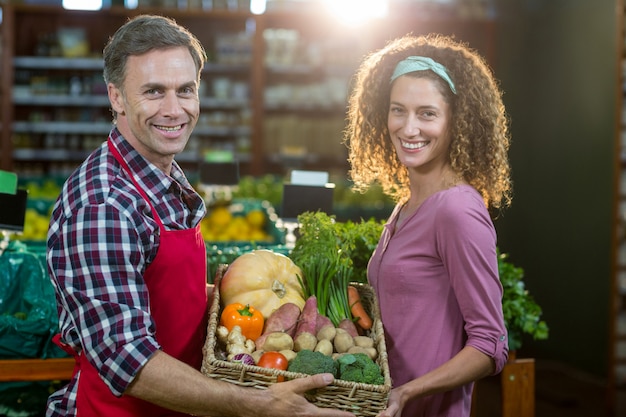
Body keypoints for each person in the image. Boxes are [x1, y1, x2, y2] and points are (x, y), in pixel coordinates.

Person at [46, 15, 354, 417]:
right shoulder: (105, 204)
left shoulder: (161, 172)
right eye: (154, 91)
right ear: (117, 97)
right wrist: (259, 405)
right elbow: (128, 363)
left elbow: (167, 294)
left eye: (185, 90)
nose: (174, 110)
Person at [343, 33, 511, 417]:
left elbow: (490, 345)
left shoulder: (456, 211)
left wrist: (407, 393)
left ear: (457, 121)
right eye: (398, 110)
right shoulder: (409, 201)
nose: (408, 127)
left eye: (427, 113)